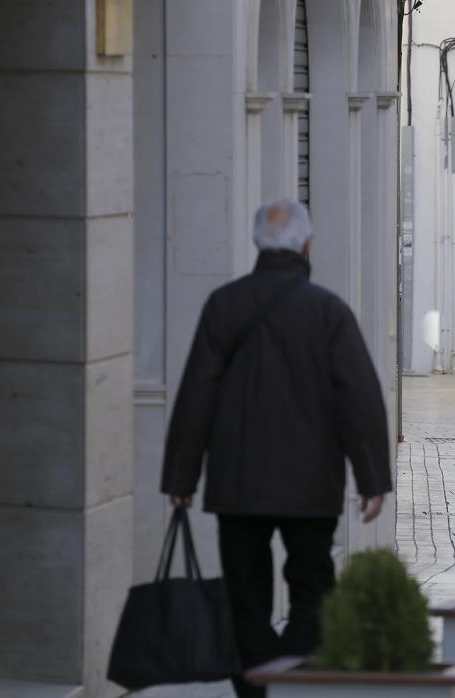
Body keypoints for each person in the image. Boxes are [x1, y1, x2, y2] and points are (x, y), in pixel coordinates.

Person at [161, 199, 392, 698]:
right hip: (311, 483)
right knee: (313, 589)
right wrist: (371, 479)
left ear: (256, 244)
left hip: (237, 481)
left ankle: (255, 683)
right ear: (306, 245)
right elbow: (358, 398)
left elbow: (195, 394)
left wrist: (181, 478)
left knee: (245, 595)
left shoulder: (223, 306)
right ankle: (291, 673)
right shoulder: (328, 311)